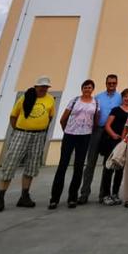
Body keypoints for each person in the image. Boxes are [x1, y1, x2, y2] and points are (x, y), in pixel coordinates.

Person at [0, 76, 55, 213]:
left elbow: (50, 117)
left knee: (31, 166)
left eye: (46, 87)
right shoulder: (25, 98)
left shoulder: (50, 99)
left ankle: (24, 196)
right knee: (10, 164)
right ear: (36, 87)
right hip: (22, 133)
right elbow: (13, 116)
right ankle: (0, 197)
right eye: (42, 86)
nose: (44, 89)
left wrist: (40, 127)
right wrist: (19, 129)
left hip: (39, 135)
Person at [49, 79, 98, 209]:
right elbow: (63, 119)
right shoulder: (74, 100)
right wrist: (67, 130)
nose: (87, 89)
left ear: (92, 89)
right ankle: (54, 198)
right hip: (70, 135)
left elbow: (95, 121)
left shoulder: (95, 102)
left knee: (79, 167)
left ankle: (72, 197)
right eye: (85, 87)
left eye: (90, 87)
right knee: (62, 166)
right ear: (82, 88)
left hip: (85, 136)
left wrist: (88, 131)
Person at [78, 74, 121, 204]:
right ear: (106, 83)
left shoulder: (120, 98)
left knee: (107, 165)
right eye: (109, 83)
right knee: (90, 163)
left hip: (111, 133)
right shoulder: (98, 97)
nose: (111, 85)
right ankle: (84, 193)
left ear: (117, 83)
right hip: (97, 130)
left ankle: (104, 194)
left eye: (114, 83)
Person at [99, 87, 128, 205]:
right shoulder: (116, 110)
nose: (127, 98)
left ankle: (115, 193)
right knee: (109, 167)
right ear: (122, 98)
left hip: (126, 142)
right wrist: (113, 135)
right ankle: (106, 194)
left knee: (120, 169)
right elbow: (108, 125)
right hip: (113, 141)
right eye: (125, 96)